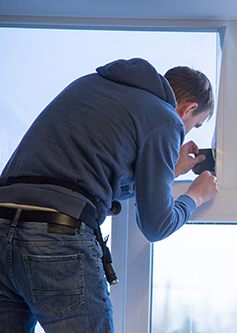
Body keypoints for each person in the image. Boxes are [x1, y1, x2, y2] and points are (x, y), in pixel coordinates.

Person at [0, 58, 219, 332]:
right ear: (188, 109)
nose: (186, 132)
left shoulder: (92, 85)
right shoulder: (166, 119)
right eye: (195, 125)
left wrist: (168, 171)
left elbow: (82, 181)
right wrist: (195, 196)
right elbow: (156, 224)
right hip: (56, 235)